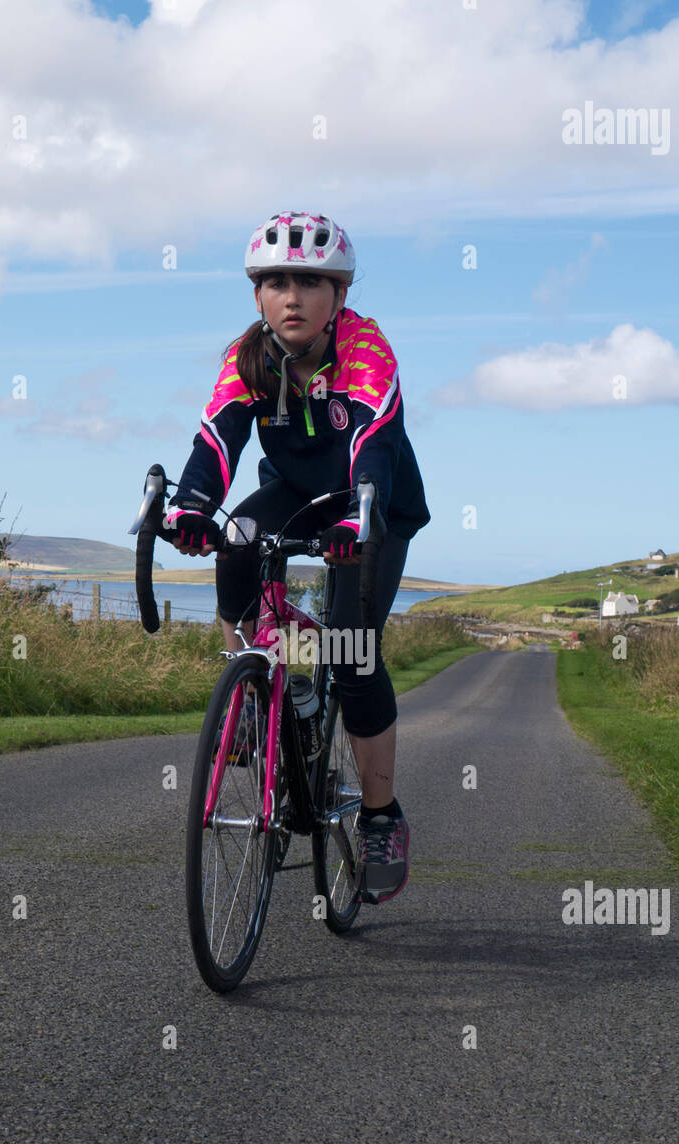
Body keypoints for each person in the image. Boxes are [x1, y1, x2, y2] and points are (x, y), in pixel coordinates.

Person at [160, 211, 430, 902]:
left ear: (338, 294)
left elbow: (371, 437)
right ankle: (256, 683)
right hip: (292, 494)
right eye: (276, 281)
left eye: (310, 281)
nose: (292, 296)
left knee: (351, 650)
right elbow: (216, 439)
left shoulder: (365, 350)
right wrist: (191, 507)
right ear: (257, 295)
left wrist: (355, 516)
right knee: (238, 537)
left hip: (375, 504)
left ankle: (379, 816)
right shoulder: (247, 356)